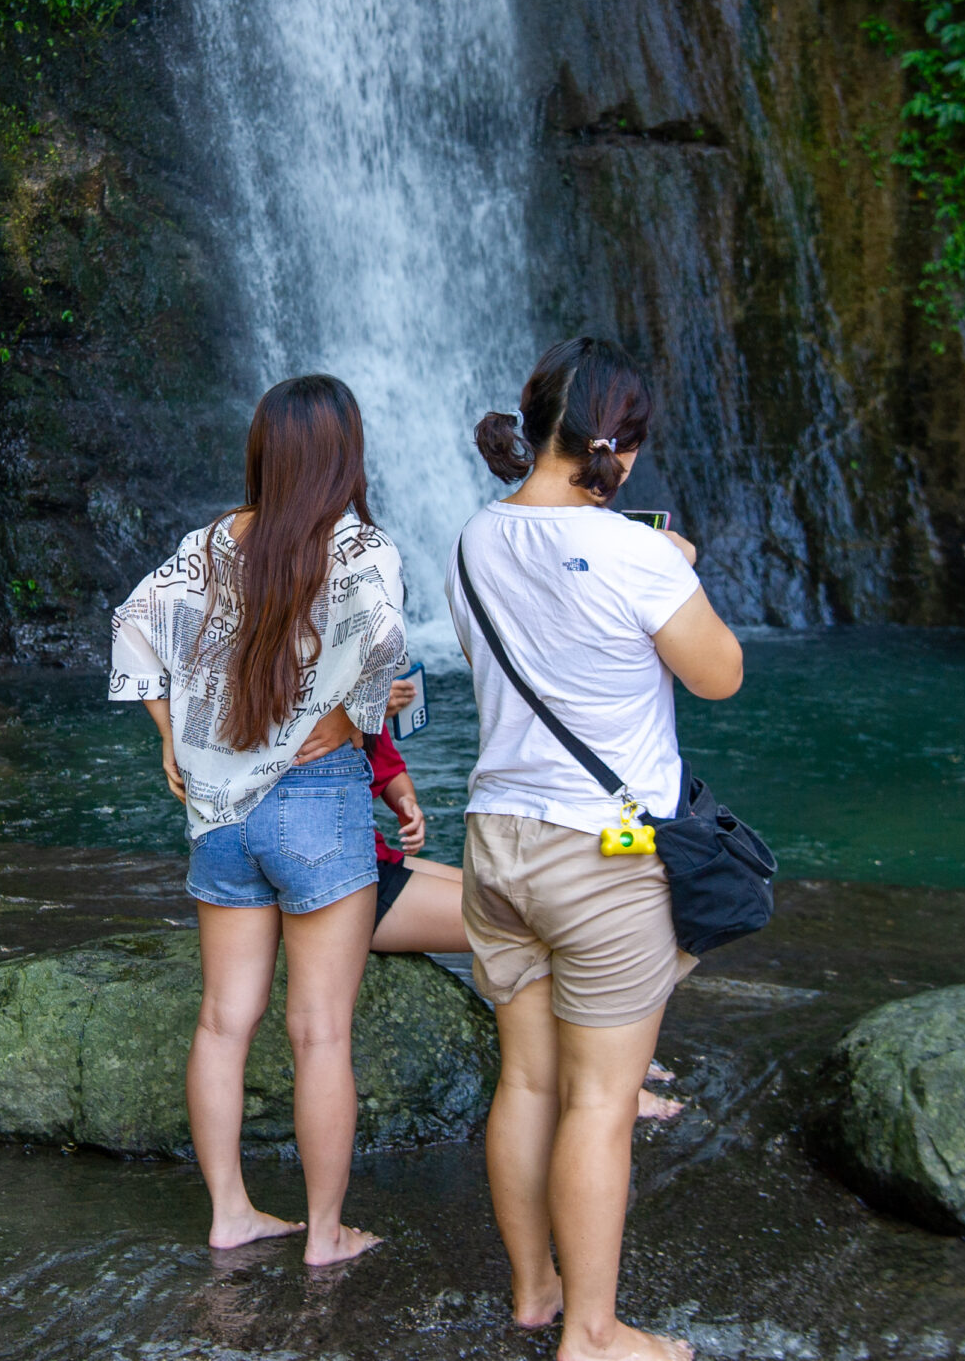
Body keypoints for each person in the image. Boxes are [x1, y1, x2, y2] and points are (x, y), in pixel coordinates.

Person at [446, 336, 739, 1359]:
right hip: (603, 853)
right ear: (620, 440)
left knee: (526, 1079)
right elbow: (719, 674)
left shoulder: (473, 537)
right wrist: (676, 571)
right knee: (603, 1100)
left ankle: (533, 1291)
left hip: (495, 841)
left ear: (536, 425)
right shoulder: (636, 553)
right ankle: (595, 1329)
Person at [109, 375, 408, 1266]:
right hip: (317, 800)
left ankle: (231, 1212)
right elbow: (385, 664)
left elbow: (131, 624)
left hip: (220, 814)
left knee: (221, 1020)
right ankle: (324, 1234)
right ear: (342, 454)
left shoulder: (206, 544)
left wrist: (172, 739)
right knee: (318, 1031)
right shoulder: (359, 549)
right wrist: (351, 718)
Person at [363, 684, 681, 1123]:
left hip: (374, 858)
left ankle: (611, 1061)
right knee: (541, 922)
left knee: (539, 906)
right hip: (349, 882)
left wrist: (405, 801)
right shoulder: (316, 690)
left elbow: (382, 763)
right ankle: (598, 1077)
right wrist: (360, 702)